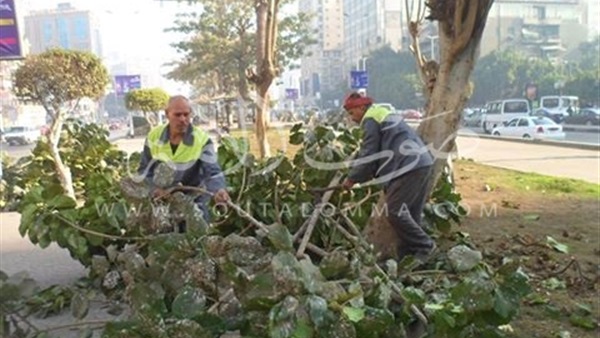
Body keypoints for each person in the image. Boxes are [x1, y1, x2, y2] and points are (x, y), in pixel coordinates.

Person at [341, 92, 436, 262]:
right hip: (422, 162)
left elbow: (369, 154)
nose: (352, 118)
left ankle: (425, 246)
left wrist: (351, 179)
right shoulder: (382, 113)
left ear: (362, 107)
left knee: (395, 211)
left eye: (351, 112)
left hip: (408, 166)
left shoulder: (370, 119)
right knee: (411, 213)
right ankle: (410, 255)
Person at [137, 95, 229, 229]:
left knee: (197, 237)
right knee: (164, 238)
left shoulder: (201, 139)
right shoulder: (153, 137)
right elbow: (144, 171)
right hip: (164, 201)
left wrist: (219, 189)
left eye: (186, 114)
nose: (183, 119)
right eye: (177, 115)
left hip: (195, 199)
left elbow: (213, 172)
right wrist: (155, 190)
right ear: (167, 114)